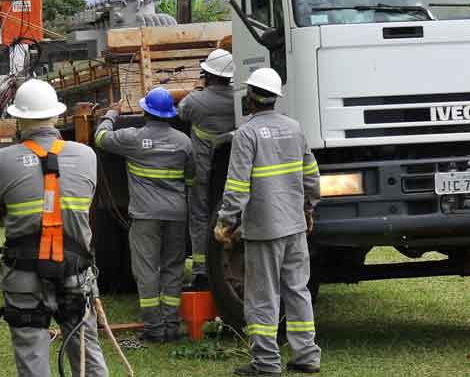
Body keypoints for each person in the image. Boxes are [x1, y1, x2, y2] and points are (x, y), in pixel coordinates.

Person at [0, 78, 109, 377]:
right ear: (56, 115)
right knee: (86, 351)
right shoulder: (86, 155)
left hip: (23, 274)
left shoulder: (0, 160)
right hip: (75, 272)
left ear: (18, 118)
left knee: (31, 354)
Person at [215, 68, 321, 375]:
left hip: (264, 229)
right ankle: (306, 356)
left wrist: (226, 222)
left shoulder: (246, 134)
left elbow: (236, 187)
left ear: (250, 98)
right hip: (294, 226)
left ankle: (265, 362)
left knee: (262, 296)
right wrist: (309, 209)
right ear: (275, 98)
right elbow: (312, 178)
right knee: (297, 290)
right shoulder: (295, 128)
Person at [95, 87, 194, 343]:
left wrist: (111, 114)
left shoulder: (132, 138)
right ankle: (171, 325)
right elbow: (191, 177)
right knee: (173, 268)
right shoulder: (184, 142)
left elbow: (101, 138)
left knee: (146, 270)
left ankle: (153, 328)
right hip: (177, 215)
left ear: (145, 112)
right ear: (170, 114)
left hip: (146, 215)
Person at [177, 48, 236, 290]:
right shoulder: (238, 99)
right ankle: (231, 267)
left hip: (201, 171)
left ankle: (201, 273)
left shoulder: (195, 101)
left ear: (207, 75)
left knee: (199, 217)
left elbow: (181, 112)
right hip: (231, 170)